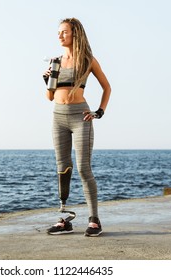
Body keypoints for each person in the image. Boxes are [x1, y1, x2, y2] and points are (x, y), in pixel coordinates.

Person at [43, 18, 111, 237]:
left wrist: (99, 112)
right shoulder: (55, 61)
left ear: (75, 34)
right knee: (63, 169)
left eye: (64, 32)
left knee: (83, 168)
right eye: (59, 32)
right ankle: (65, 218)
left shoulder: (87, 60)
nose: (60, 36)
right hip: (58, 117)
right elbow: (50, 96)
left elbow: (107, 87)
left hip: (80, 117)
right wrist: (47, 82)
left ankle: (94, 220)